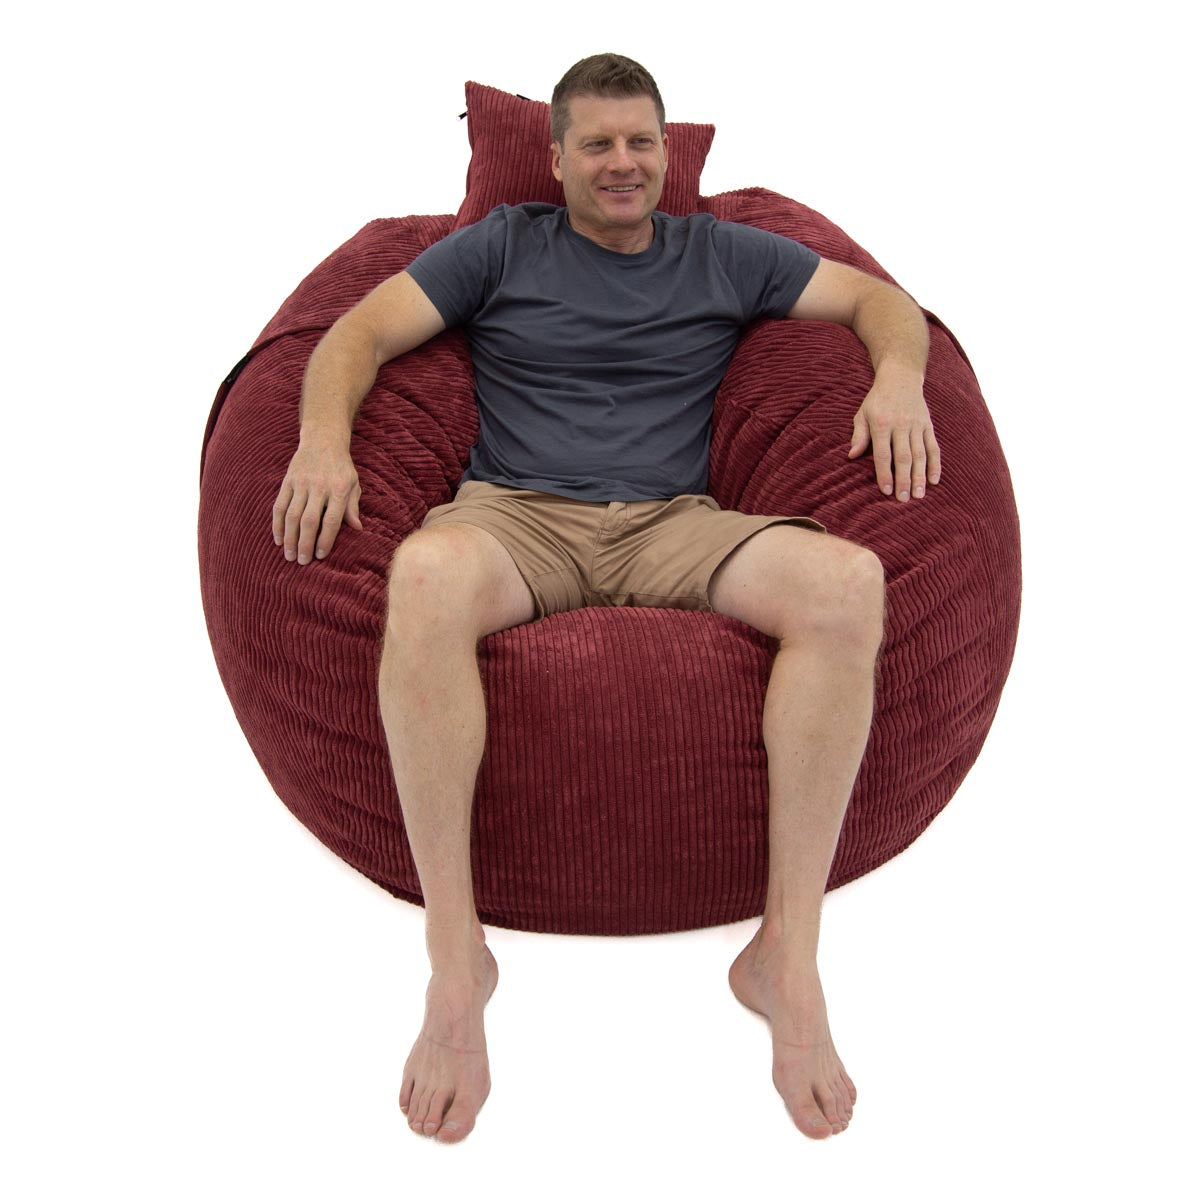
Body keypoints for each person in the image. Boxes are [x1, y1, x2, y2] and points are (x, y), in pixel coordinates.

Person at [271, 52, 940, 1145]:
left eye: (639, 143)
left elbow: (879, 301)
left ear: (665, 154)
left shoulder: (723, 254)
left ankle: (788, 956)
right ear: (556, 158)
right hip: (517, 517)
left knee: (849, 581)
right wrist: (322, 441)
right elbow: (357, 332)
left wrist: (900, 378)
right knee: (423, 573)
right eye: (597, 144)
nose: (620, 164)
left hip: (675, 521)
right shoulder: (499, 246)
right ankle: (455, 962)